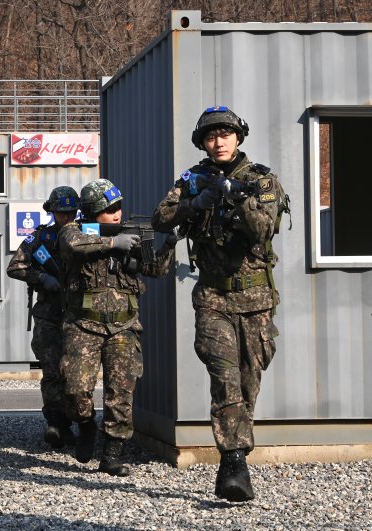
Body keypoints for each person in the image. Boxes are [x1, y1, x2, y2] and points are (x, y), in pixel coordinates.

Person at [151, 106, 288, 501]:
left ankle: (237, 448)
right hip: (212, 296)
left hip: (256, 299)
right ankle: (233, 464)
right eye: (211, 136)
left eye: (225, 134)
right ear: (203, 142)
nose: (219, 141)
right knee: (224, 376)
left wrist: (238, 199)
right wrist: (199, 202)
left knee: (248, 381)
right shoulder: (193, 180)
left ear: (238, 137)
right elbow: (162, 218)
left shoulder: (261, 179)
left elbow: (263, 230)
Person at [58, 179, 176, 476]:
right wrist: (114, 242)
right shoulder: (74, 231)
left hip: (123, 326)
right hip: (82, 325)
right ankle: (86, 425)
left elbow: (156, 270)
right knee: (75, 391)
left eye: (118, 208)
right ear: (92, 213)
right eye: (108, 210)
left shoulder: (132, 235)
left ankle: (112, 455)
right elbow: (73, 243)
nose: (116, 215)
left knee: (120, 392)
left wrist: (170, 244)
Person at [7, 186, 80, 449]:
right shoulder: (40, 238)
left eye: (70, 212)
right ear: (52, 212)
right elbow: (15, 267)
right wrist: (41, 278)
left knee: (75, 374)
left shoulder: (85, 234)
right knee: (51, 371)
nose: (66, 217)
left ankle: (78, 421)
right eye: (61, 213)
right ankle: (56, 423)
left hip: (79, 315)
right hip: (49, 315)